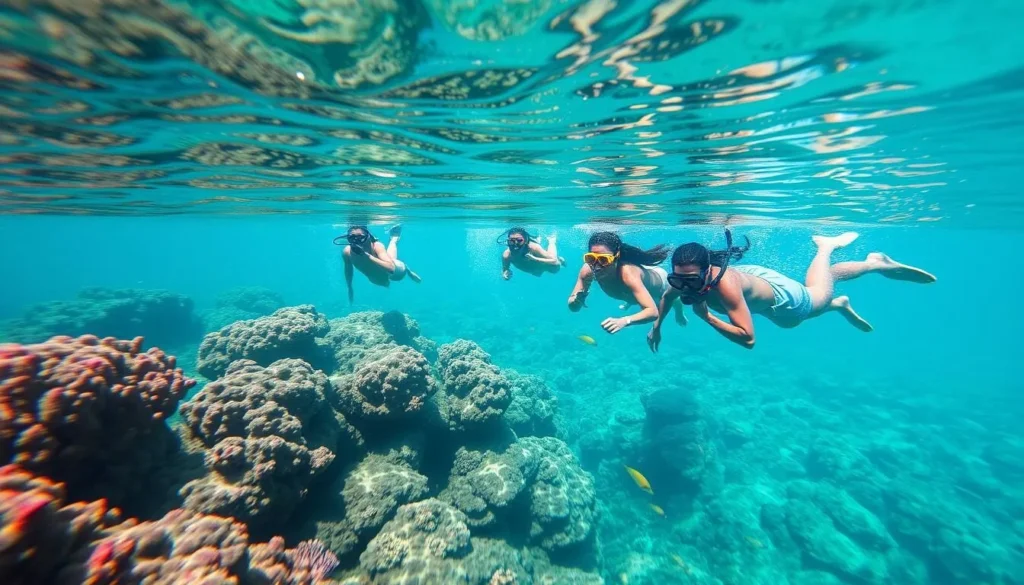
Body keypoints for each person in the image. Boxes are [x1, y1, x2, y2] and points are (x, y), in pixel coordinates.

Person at [646, 230, 936, 351]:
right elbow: (667, 296)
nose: (685, 287)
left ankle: (849, 256)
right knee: (789, 324)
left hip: (785, 297)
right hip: (763, 297)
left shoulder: (725, 287)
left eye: (692, 280)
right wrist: (657, 327)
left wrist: (707, 317)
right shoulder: (685, 280)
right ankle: (839, 305)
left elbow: (749, 340)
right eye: (679, 279)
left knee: (820, 291)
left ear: (707, 271)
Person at [567, 231, 688, 334]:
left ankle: (678, 309)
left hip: (659, 282)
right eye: (591, 258)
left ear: (617, 256)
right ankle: (630, 301)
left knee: (669, 300)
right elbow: (574, 308)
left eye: (604, 259)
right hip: (631, 289)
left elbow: (652, 312)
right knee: (632, 296)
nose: (596, 266)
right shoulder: (587, 271)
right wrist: (575, 301)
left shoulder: (628, 274)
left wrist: (624, 321)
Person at [336, 225, 421, 303]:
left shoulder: (376, 246)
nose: (356, 241)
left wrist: (368, 256)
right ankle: (393, 241)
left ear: (368, 237)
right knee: (389, 262)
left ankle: (394, 240)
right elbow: (348, 270)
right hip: (375, 279)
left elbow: (391, 268)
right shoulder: (346, 252)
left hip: (394, 272)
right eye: (352, 238)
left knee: (395, 266)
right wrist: (349, 288)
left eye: (361, 237)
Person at [499, 227, 565, 280]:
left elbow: (554, 260)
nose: (515, 244)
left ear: (525, 241)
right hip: (534, 270)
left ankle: (551, 241)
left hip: (544, 265)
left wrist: (535, 259)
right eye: (511, 241)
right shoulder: (507, 255)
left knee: (555, 268)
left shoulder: (533, 248)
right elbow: (505, 269)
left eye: (519, 240)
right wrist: (505, 274)